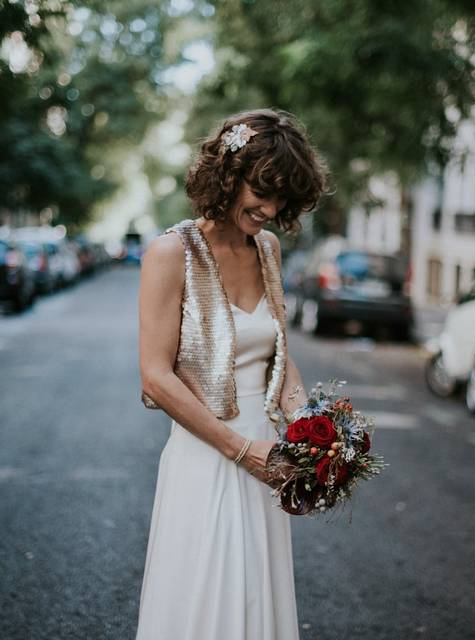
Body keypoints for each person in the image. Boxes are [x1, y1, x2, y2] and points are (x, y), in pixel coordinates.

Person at [136, 109, 328, 640]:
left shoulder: (267, 250)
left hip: (268, 456)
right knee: (204, 603)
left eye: (283, 198)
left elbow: (278, 356)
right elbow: (155, 377)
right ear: (228, 173)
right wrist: (242, 451)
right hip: (207, 453)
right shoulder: (171, 253)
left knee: (254, 601)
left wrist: (313, 429)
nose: (270, 210)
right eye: (262, 191)